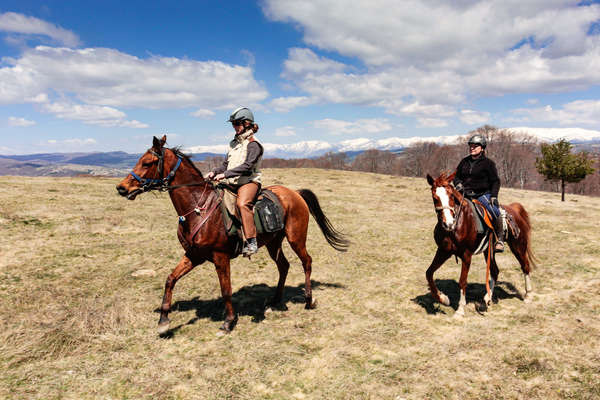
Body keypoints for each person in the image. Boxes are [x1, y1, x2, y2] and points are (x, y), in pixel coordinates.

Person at [207, 107, 263, 256]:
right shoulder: (233, 143)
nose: (234, 127)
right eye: (233, 124)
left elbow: (247, 166)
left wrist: (225, 175)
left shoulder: (253, 144)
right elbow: (226, 164)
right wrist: (215, 172)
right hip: (232, 181)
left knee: (242, 204)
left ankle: (251, 241)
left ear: (247, 123)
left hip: (249, 182)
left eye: (237, 123)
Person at [453, 134, 505, 252]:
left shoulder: (488, 163)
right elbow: (456, 177)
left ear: (482, 148)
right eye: (471, 146)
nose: (472, 148)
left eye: (475, 146)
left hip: (481, 195)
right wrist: (458, 184)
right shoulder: (464, 162)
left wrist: (493, 196)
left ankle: (500, 240)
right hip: (464, 194)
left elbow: (495, 181)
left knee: (494, 211)